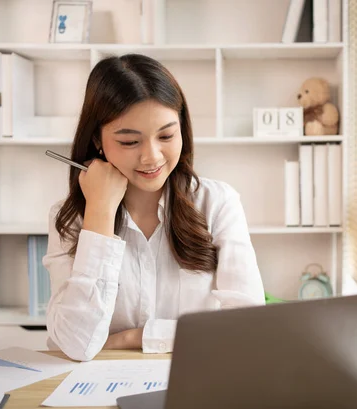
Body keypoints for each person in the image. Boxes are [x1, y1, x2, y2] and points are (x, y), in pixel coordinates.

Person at [42, 54, 265, 362]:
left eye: (166, 135)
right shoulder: (69, 219)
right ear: (97, 139)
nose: (152, 157)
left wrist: (134, 337)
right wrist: (100, 213)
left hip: (194, 377)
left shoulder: (217, 203)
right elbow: (76, 344)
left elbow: (248, 327)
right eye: (130, 142)